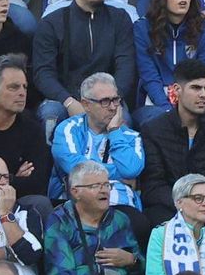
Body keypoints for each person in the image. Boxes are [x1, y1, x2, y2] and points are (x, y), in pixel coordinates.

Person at [44, 160, 152, 275]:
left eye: (106, 185)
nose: (104, 190)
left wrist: (130, 260)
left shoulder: (120, 220)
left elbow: (142, 268)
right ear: (75, 192)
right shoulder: (59, 221)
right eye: (95, 186)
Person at [32, 0, 136, 127]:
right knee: (51, 115)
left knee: (124, 122)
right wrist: (69, 102)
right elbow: (43, 73)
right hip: (65, 98)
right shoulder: (52, 23)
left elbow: (126, 66)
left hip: (110, 99)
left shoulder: (120, 19)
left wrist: (112, 100)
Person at [139, 60, 205, 229]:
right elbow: (153, 185)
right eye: (195, 88)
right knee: (156, 222)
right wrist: (185, 205)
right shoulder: (154, 129)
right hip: (171, 205)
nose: (203, 95)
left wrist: (203, 203)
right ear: (177, 90)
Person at [49, 73, 146, 240]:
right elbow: (76, 169)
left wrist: (115, 132)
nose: (112, 107)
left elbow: (131, 169)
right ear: (86, 104)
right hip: (77, 203)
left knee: (138, 225)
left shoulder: (131, 137)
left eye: (116, 100)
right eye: (105, 101)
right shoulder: (68, 129)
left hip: (122, 206)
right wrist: (117, 173)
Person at [132, 0, 205, 126]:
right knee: (159, 122)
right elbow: (149, 76)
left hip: (196, 101)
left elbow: (202, 75)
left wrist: (183, 111)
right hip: (155, 102)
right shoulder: (143, 28)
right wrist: (168, 110)